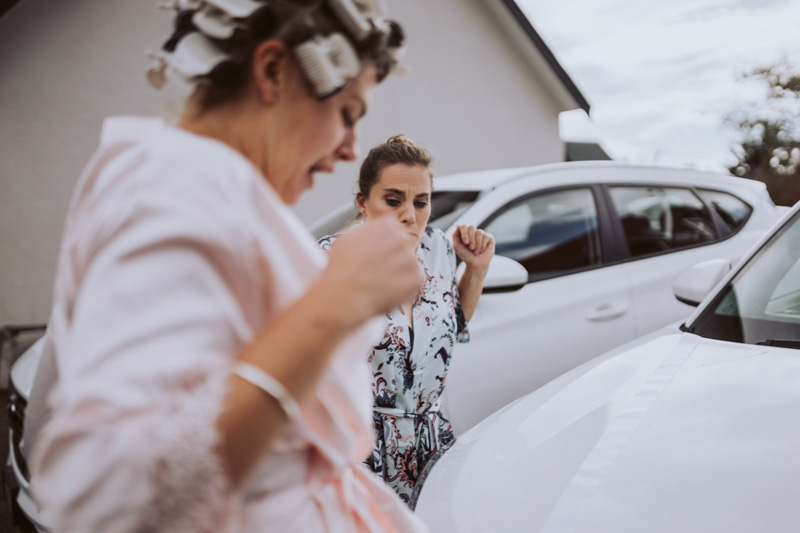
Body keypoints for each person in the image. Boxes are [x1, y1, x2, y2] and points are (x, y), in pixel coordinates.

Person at [25, 1, 431, 531]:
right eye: (347, 114)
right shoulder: (177, 190)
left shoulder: (201, 190)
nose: (349, 149)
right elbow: (111, 493)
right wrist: (333, 306)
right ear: (272, 71)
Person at [318, 135, 495, 508]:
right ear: (363, 203)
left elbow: (453, 327)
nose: (409, 216)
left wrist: (475, 270)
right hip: (361, 447)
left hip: (430, 442)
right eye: (393, 200)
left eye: (421, 202)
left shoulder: (440, 250)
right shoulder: (331, 259)